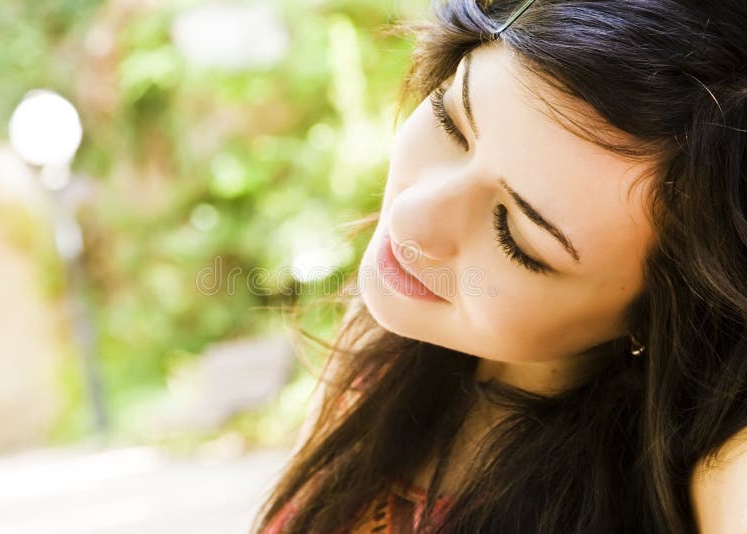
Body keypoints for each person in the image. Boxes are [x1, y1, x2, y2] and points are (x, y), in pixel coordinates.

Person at [251, 1, 747, 532]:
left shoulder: (716, 475)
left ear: (656, 314)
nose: (411, 219)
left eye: (516, 238)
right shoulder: (385, 347)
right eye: (451, 123)